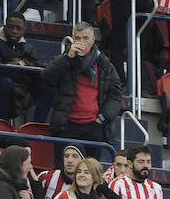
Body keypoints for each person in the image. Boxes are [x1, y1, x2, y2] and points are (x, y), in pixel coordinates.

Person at [40, 22, 123, 152]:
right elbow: (47, 78)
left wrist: (101, 118)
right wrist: (68, 58)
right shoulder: (65, 59)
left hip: (94, 126)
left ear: (93, 40)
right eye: (78, 38)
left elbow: (116, 95)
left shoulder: (104, 65)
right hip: (66, 125)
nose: (81, 42)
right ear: (73, 40)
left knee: (91, 170)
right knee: (65, 168)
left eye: (86, 38)